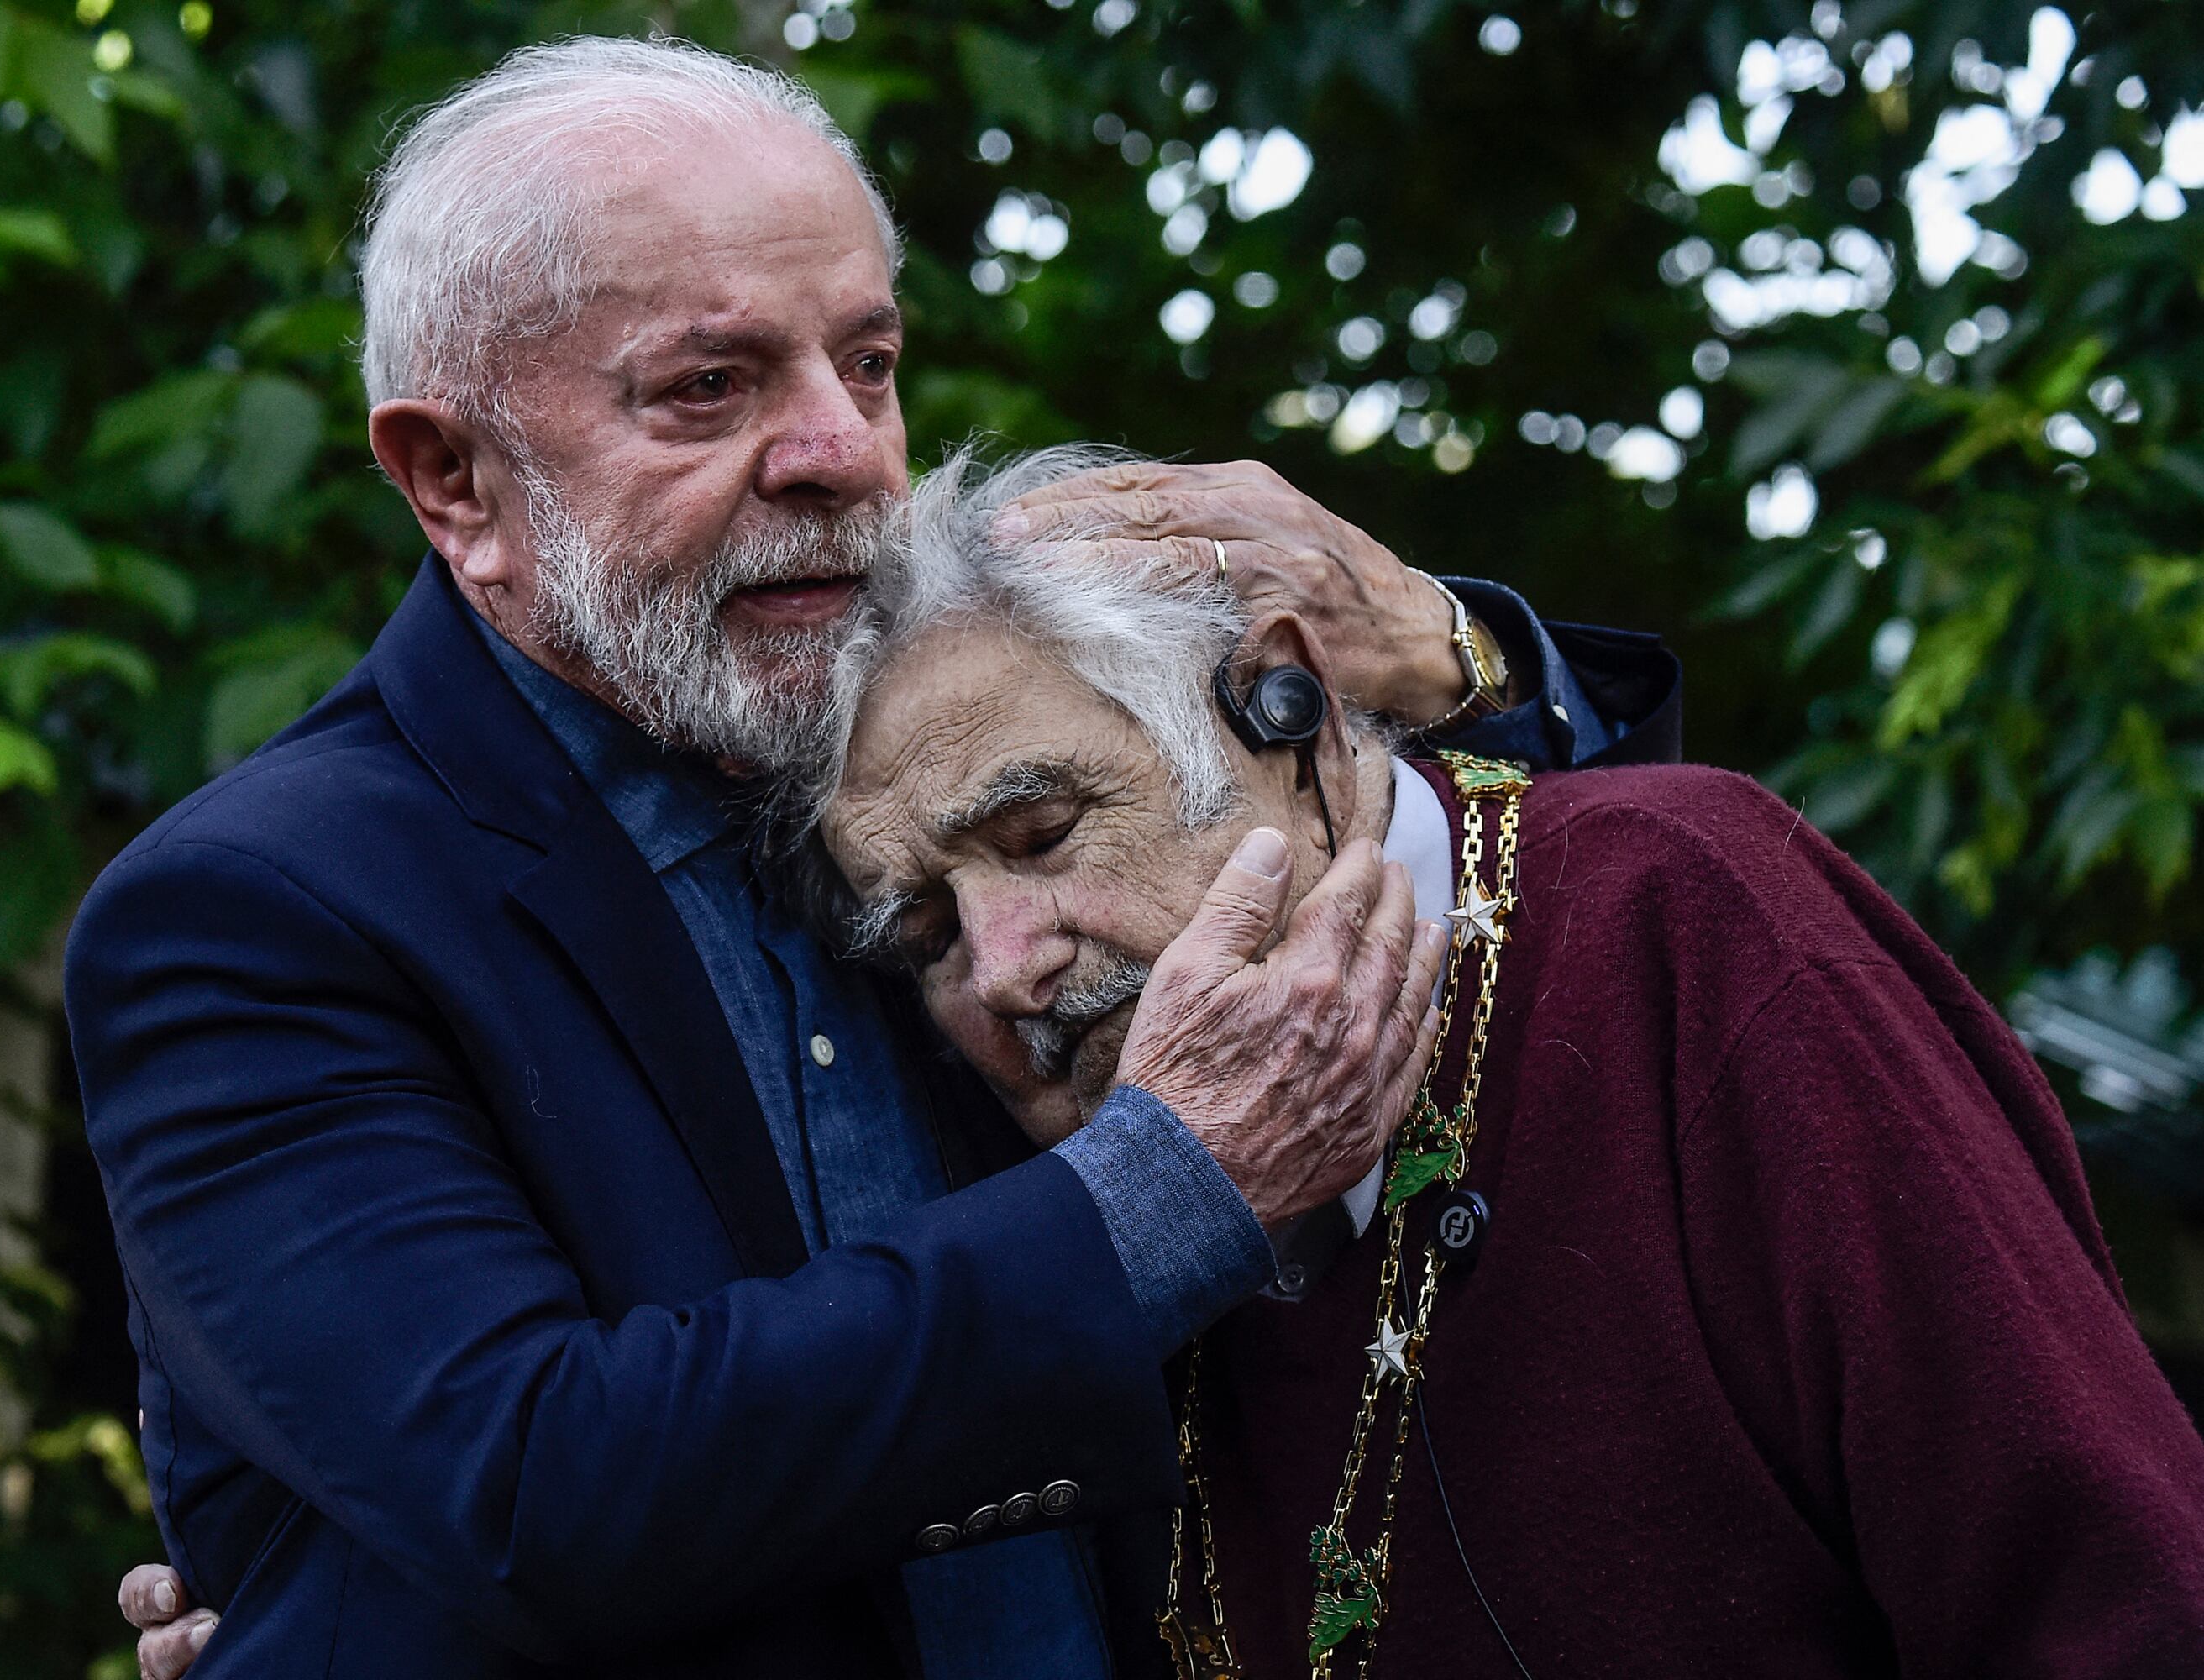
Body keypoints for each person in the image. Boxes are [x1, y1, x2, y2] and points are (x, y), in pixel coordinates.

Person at [78, 39, 1682, 1680]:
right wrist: (1164, 1189)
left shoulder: (959, 743)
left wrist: (1457, 654)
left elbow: (1530, 948)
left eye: (871, 361)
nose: (842, 451)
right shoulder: (252, 914)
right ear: (453, 479)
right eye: (711, 387)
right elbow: (540, 1487)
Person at [807, 447, 2204, 1677]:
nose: (1002, 966)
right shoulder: (1049, 1204)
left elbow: (2110, 1593)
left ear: (1279, 709)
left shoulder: (1683, 907)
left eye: (1044, 834)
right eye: (925, 930)